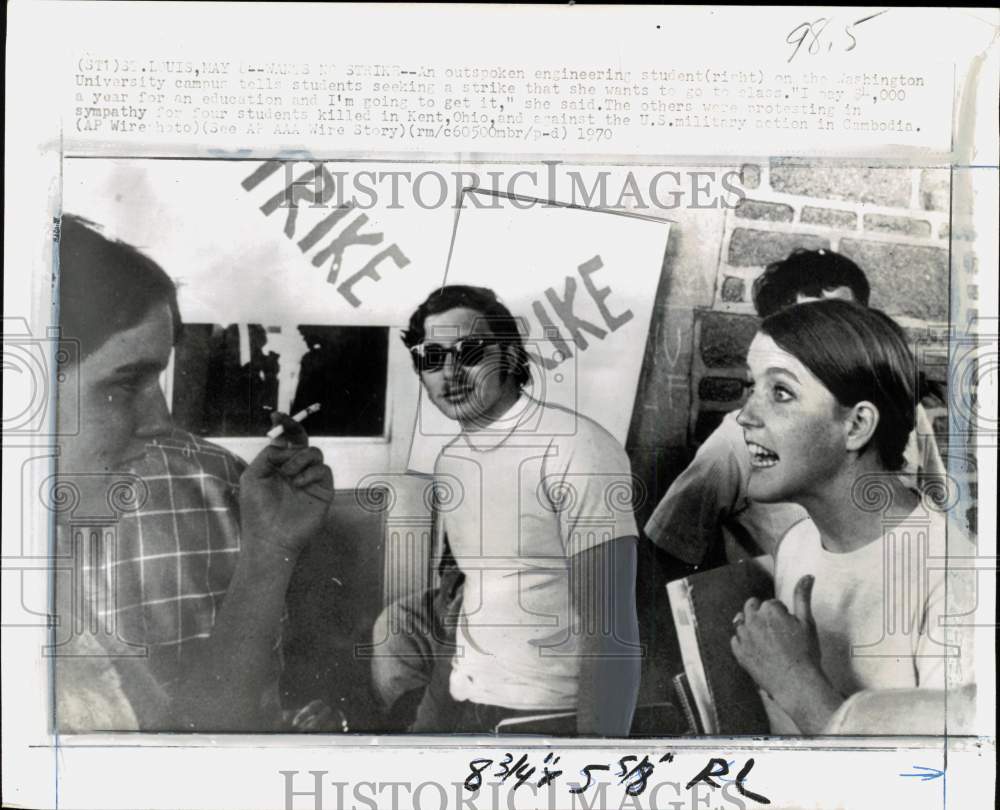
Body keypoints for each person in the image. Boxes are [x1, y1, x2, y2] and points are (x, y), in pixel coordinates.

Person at [53, 214, 334, 732]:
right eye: (123, 384)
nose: (162, 423)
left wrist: (268, 551)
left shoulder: (57, 572)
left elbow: (185, 741)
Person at [371, 285, 641, 735]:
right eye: (432, 357)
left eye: (470, 351)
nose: (450, 372)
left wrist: (596, 763)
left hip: (544, 720)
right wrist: (429, 729)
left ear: (511, 357)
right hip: (468, 708)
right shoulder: (452, 461)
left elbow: (611, 629)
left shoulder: (576, 446)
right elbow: (460, 604)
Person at [729, 299, 974, 734]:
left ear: (857, 425)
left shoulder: (954, 576)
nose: (745, 417)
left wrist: (795, 681)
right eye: (751, 388)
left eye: (781, 392)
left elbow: (947, 785)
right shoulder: (798, 543)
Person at [644, 249, 944, 566]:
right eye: (808, 330)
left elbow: (936, 508)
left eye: (846, 323)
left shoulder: (902, 413)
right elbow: (665, 550)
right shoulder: (740, 439)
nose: (831, 344)